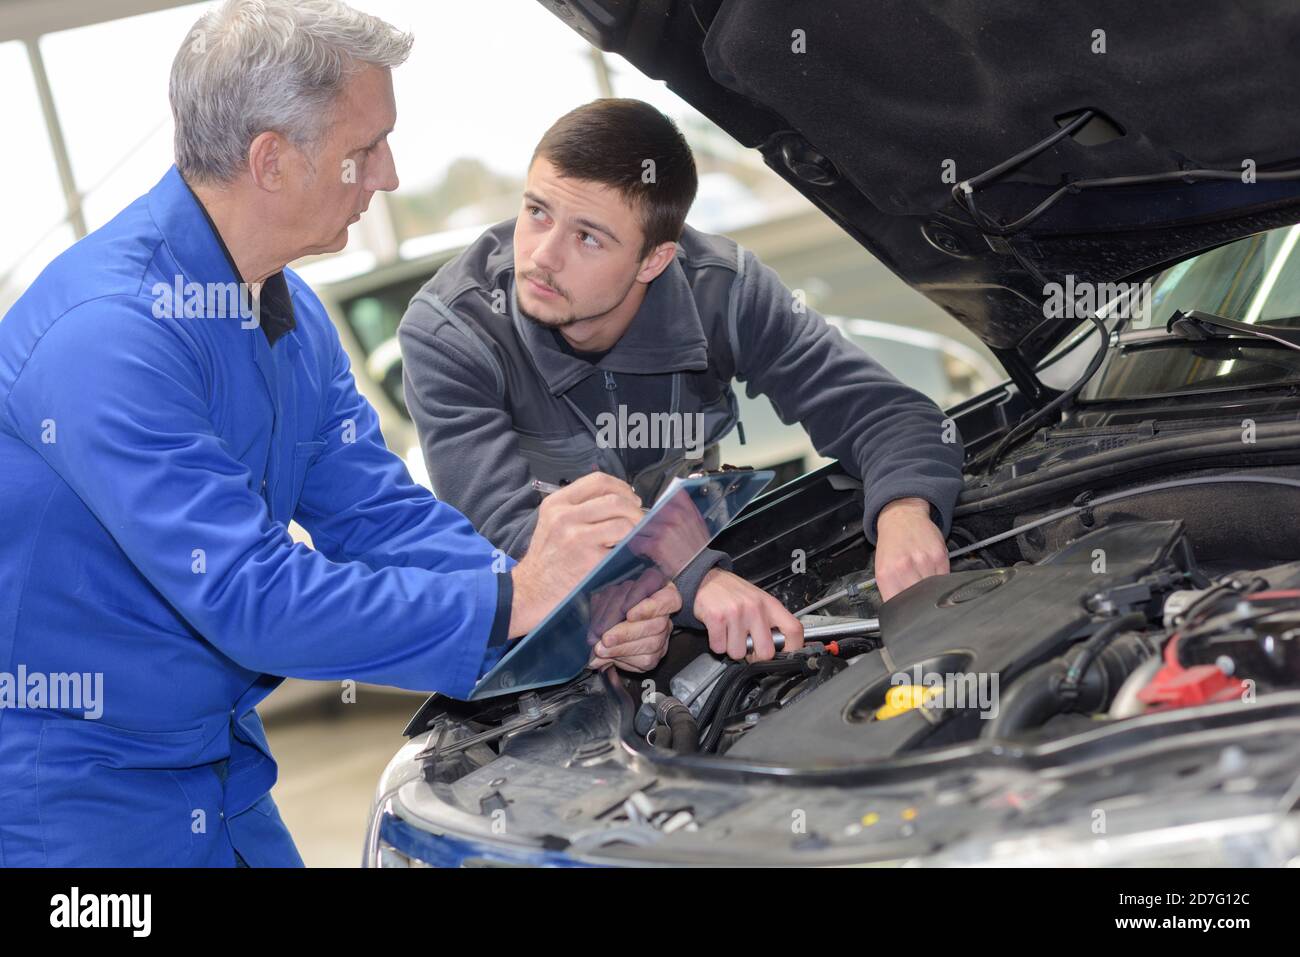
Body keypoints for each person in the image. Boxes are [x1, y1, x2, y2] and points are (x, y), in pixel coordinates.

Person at [0, 1, 674, 867]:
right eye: (366, 149)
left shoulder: (288, 310)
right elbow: (248, 591)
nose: (389, 176)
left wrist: (556, 604)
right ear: (272, 160)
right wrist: (514, 602)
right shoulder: (108, 337)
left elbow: (378, 512)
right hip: (71, 801)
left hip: (220, 775)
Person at [398, 99, 965, 668]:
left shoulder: (723, 293)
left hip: (674, 615)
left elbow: (886, 414)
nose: (542, 257)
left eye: (588, 238)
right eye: (537, 212)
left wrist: (904, 510)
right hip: (550, 649)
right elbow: (508, 536)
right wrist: (695, 581)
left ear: (655, 260)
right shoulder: (453, 334)